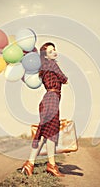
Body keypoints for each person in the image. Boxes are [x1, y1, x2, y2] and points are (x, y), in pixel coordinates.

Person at [21, 42, 68, 177]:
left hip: (50, 100)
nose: (54, 53)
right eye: (51, 51)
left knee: (48, 133)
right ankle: (44, 164)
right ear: (45, 56)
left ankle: (37, 164)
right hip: (51, 100)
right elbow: (64, 79)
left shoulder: (45, 66)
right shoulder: (51, 64)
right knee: (48, 133)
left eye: (55, 50)